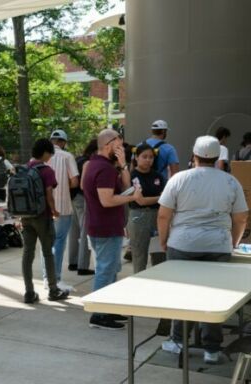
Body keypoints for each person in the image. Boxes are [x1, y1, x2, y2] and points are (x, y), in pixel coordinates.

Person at [158, 135, 248, 364]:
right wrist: (234, 242)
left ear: (194, 154)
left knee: (181, 294)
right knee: (214, 297)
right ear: (218, 156)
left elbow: (164, 214)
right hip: (217, 244)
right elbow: (241, 218)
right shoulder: (230, 182)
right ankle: (212, 349)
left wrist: (164, 239)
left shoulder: (179, 179)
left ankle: (178, 341)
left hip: (182, 244)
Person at [83, 129, 142, 330]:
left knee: (110, 269)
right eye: (119, 143)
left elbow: (125, 185)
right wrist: (132, 198)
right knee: (106, 270)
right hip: (106, 226)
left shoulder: (96, 164)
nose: (122, 146)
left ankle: (106, 308)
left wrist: (124, 163)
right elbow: (107, 200)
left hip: (103, 225)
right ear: (108, 144)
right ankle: (98, 314)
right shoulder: (105, 169)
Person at [21, 139, 70, 304]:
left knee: (28, 253)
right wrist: (54, 210)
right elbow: (49, 193)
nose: (50, 158)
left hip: (26, 216)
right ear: (46, 153)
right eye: (50, 155)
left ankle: (29, 291)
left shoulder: (24, 168)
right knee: (48, 252)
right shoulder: (46, 170)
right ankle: (53, 289)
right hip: (42, 216)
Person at [44, 129, 79, 284]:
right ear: (64, 142)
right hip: (63, 206)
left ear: (51, 140)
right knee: (59, 242)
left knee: (46, 242)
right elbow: (75, 182)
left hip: (44, 207)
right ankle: (55, 278)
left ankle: (46, 277)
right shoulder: (67, 156)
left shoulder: (41, 157)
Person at [127, 144, 166, 273]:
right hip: (139, 217)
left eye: (151, 157)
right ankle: (138, 286)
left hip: (157, 217)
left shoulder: (158, 176)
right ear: (137, 158)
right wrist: (158, 198)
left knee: (160, 256)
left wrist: (157, 198)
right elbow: (140, 200)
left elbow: (166, 198)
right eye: (144, 157)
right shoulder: (132, 176)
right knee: (139, 256)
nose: (148, 160)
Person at [68, 139, 97, 276]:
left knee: (74, 231)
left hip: (73, 197)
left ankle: (73, 262)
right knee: (85, 231)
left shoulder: (78, 159)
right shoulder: (88, 162)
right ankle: (83, 266)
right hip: (83, 197)